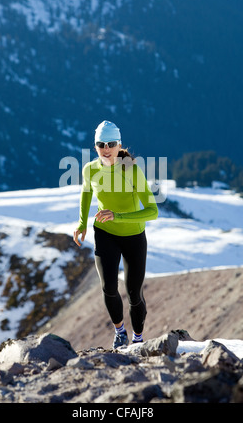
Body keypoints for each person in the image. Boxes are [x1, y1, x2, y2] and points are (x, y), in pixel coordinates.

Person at [73, 121, 158, 349]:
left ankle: (138, 339)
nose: (106, 148)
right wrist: (81, 223)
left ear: (119, 145)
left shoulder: (131, 170)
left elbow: (153, 211)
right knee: (108, 287)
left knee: (134, 294)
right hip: (104, 233)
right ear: (95, 146)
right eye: (101, 144)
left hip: (133, 236)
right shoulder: (90, 169)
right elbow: (86, 192)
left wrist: (118, 216)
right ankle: (120, 332)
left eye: (111, 143)